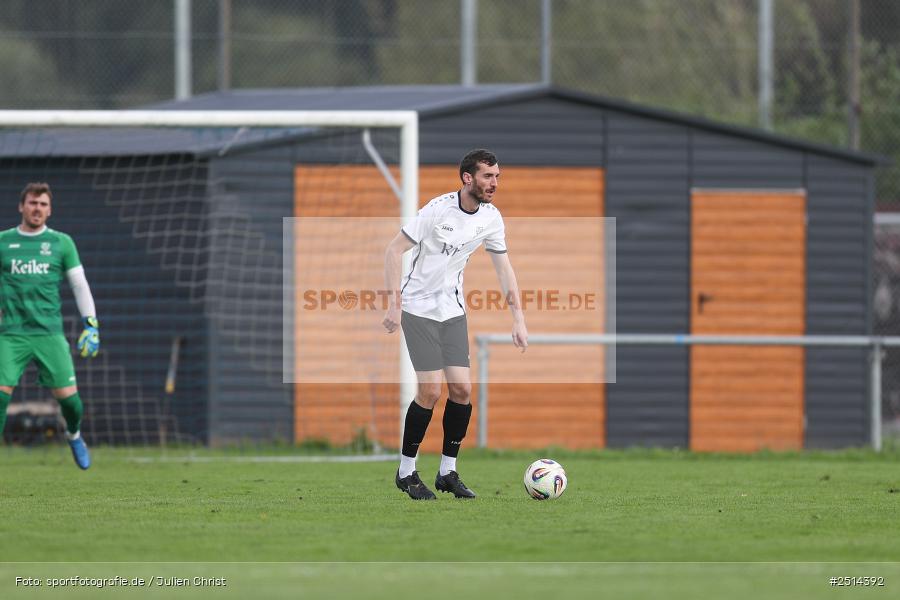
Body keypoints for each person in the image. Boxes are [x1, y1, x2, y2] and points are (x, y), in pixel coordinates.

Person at [383, 149, 528, 500]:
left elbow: (503, 269)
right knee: (431, 391)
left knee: (462, 391)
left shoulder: (491, 218)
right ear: (468, 178)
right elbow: (392, 250)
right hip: (418, 308)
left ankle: (447, 472)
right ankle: (406, 472)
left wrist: (518, 318)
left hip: (452, 310)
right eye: (488, 176)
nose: (494, 183)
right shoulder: (437, 210)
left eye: (497, 176)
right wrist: (394, 303)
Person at [0, 182, 100, 469]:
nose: (37, 208)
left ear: (50, 210)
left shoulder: (61, 243)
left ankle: (74, 434)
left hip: (49, 333)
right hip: (12, 334)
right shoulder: (4, 242)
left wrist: (91, 325)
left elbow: (80, 285)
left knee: (71, 404)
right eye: (32, 203)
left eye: (43, 204)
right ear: (21, 206)